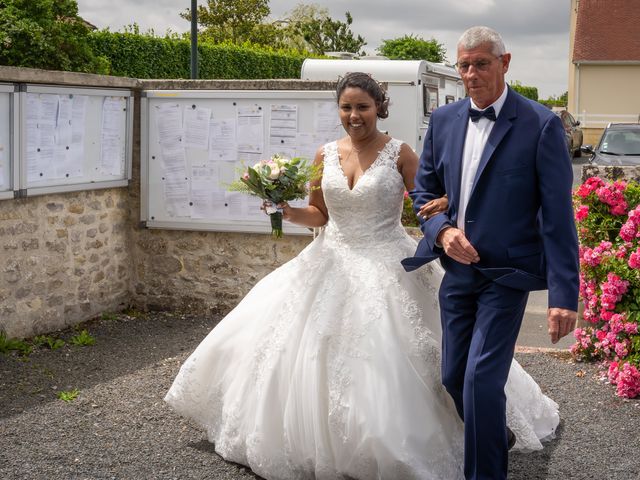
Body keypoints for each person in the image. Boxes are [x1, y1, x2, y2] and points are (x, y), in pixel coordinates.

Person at [165, 72, 560, 480]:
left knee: (424, 358)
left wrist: (448, 205)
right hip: (328, 260)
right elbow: (318, 213)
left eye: (362, 107)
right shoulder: (324, 155)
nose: (354, 116)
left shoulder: (400, 153)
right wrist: (281, 210)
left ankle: (478, 430)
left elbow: (427, 197)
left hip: (387, 260)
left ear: (379, 108)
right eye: (346, 107)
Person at [402, 26, 580, 480]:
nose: (471, 73)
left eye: (481, 63)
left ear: (505, 62)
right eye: (463, 65)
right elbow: (425, 191)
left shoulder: (540, 125)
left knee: (483, 379)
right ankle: (494, 435)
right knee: (454, 379)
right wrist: (442, 232)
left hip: (508, 274)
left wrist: (564, 296)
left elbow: (559, 218)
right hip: (456, 273)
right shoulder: (443, 123)